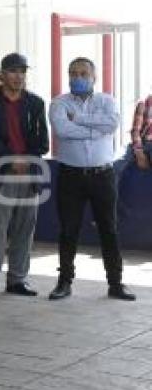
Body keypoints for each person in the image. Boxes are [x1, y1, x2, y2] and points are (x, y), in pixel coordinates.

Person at [47, 57, 135, 301]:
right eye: (73, 73)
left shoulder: (107, 101)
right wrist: (95, 130)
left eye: (83, 73)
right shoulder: (59, 103)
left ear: (93, 77)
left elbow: (112, 124)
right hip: (70, 176)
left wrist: (80, 119)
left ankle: (115, 283)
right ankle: (64, 282)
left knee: (109, 228)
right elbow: (63, 130)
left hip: (102, 175)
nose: (78, 78)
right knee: (68, 230)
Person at [0, 53, 49, 298]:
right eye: (14, 71)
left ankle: (17, 279)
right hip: (1, 172)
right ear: (3, 74)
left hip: (29, 174)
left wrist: (26, 160)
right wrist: (10, 160)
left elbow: (42, 141)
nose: (19, 76)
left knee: (25, 228)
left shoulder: (35, 103)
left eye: (22, 72)